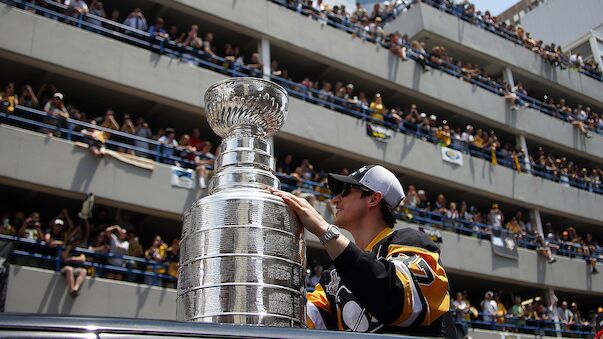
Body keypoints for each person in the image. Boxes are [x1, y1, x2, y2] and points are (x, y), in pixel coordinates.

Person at [270, 165, 453, 336]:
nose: (335, 199)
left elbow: (393, 298)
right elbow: (300, 323)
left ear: (374, 199)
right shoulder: (332, 276)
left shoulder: (412, 241)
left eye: (346, 192)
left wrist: (323, 230)